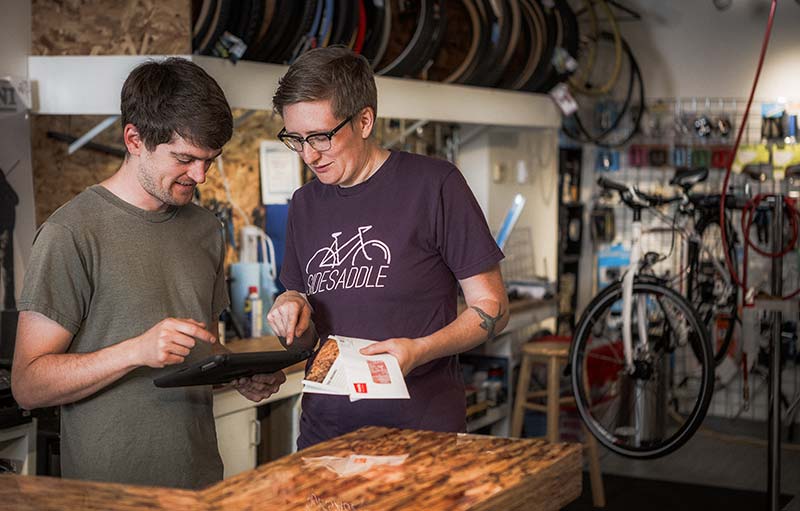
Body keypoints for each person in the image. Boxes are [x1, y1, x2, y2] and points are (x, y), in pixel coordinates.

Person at [11, 58, 285, 489]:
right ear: (134, 139)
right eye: (185, 158)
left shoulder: (206, 230)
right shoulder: (71, 232)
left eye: (209, 160)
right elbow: (28, 384)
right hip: (110, 496)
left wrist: (236, 376)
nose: (200, 176)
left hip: (200, 485)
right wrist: (134, 351)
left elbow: (196, 361)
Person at [267, 46, 510, 449]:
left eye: (322, 137)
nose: (309, 154)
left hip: (422, 437)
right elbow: (307, 336)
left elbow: (493, 309)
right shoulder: (304, 204)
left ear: (364, 120)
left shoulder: (435, 185)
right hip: (325, 438)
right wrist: (291, 310)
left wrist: (421, 350)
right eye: (296, 138)